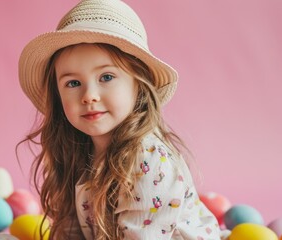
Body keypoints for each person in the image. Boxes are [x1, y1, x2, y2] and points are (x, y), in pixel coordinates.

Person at [18, 0, 228, 239]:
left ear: (138, 84)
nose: (89, 96)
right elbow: (70, 230)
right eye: (73, 83)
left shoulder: (150, 160)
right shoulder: (76, 149)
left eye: (106, 77)